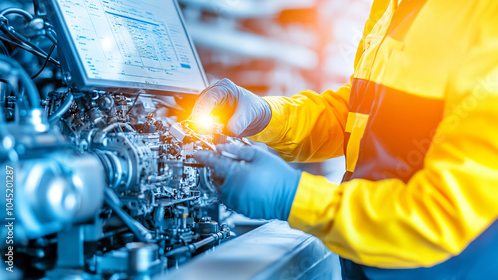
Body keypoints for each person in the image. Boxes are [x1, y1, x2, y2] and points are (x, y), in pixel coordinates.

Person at [191, 0, 498, 279]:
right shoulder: (394, 7)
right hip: (365, 261)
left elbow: (441, 214)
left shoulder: (487, 18)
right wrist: (268, 116)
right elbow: (363, 112)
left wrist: (292, 197)